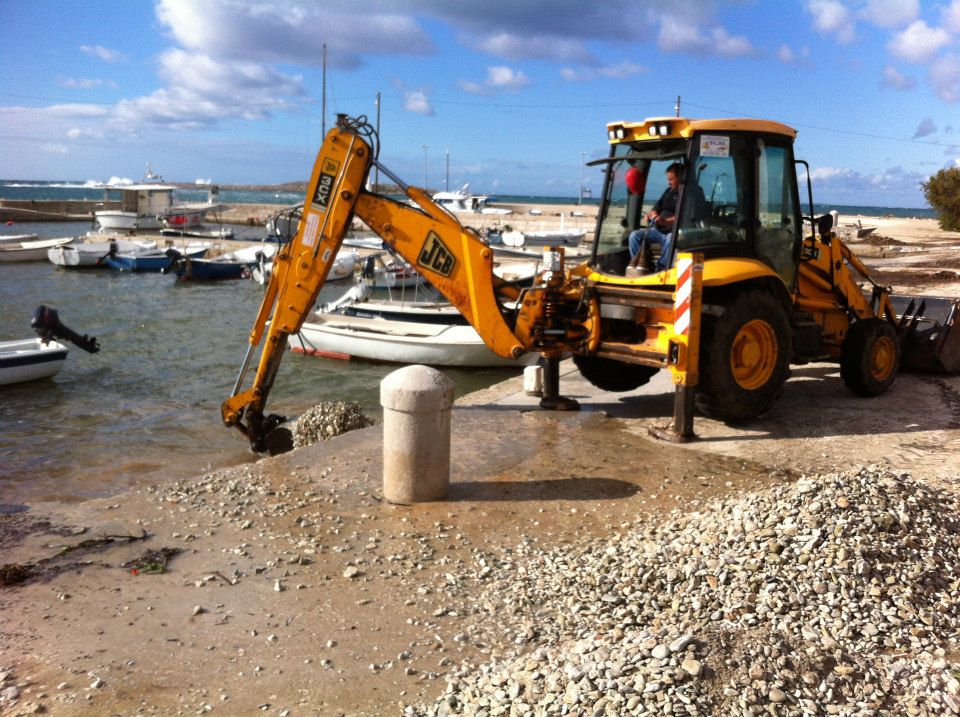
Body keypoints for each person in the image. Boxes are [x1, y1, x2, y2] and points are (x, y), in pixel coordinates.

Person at [627, 162, 683, 273]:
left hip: (676, 232)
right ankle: (641, 265)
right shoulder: (668, 191)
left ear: (681, 178)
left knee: (670, 238)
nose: (668, 182)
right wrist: (651, 214)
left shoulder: (689, 193)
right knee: (634, 236)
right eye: (668, 179)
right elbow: (656, 208)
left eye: (671, 180)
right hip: (658, 230)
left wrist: (666, 221)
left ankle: (660, 269)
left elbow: (686, 216)